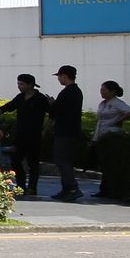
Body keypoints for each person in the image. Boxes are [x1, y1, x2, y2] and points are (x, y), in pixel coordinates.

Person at [0, 73, 51, 198]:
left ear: (30, 85)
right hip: (20, 135)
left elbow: (52, 114)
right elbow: (9, 106)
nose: (19, 86)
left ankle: (32, 188)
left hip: (34, 135)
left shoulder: (40, 98)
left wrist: (45, 130)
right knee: (15, 160)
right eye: (18, 84)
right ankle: (20, 186)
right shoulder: (20, 97)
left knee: (33, 163)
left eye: (21, 84)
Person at [93, 80, 130, 196]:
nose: (101, 92)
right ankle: (105, 189)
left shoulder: (117, 103)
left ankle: (114, 189)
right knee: (104, 164)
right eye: (101, 90)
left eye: (104, 90)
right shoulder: (102, 104)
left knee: (111, 164)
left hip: (112, 135)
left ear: (112, 92)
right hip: (102, 135)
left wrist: (117, 121)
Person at [50, 65, 85, 202]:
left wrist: (52, 103)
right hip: (70, 130)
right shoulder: (75, 91)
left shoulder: (68, 92)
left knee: (62, 160)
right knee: (64, 160)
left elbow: (58, 110)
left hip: (65, 131)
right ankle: (66, 189)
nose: (58, 79)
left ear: (64, 76)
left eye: (59, 76)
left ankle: (72, 188)